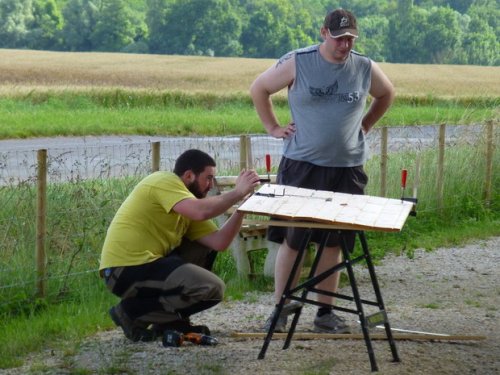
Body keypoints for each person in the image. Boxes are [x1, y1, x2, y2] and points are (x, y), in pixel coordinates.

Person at [250, 8, 395, 333]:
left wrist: (366, 124)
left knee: (334, 243)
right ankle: (280, 308)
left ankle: (324, 314)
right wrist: (273, 127)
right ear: (324, 33)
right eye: (340, 38)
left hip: (347, 169)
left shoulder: (364, 66)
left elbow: (387, 94)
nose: (345, 45)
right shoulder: (298, 61)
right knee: (294, 239)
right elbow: (259, 88)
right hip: (302, 167)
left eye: (350, 39)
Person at [99, 149, 260, 341]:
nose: (210, 185)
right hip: (124, 270)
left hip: (146, 266)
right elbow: (200, 212)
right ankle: (131, 311)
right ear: (189, 175)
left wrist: (243, 206)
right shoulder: (163, 181)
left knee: (204, 254)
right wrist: (237, 192)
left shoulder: (188, 205)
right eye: (208, 178)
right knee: (211, 288)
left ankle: (165, 321)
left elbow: (219, 242)